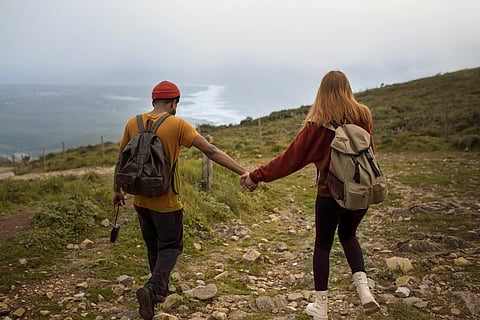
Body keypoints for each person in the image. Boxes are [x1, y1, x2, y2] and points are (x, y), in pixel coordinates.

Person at [240, 71, 381, 319]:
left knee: (323, 245)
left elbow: (289, 160)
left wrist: (256, 176)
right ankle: (364, 291)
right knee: (349, 236)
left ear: (322, 92)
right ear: (347, 88)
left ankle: (321, 307)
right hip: (360, 191)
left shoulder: (317, 124)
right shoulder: (364, 115)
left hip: (330, 194)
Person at [112, 81, 248, 320]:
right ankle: (153, 288)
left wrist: (117, 190)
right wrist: (243, 171)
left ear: (153, 101)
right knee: (172, 246)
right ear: (174, 103)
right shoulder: (177, 125)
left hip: (140, 200)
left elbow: (121, 159)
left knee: (154, 245)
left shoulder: (133, 122)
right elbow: (211, 152)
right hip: (167, 200)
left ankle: (158, 292)